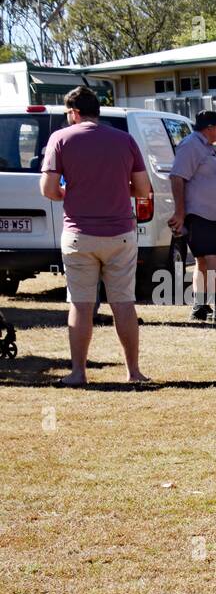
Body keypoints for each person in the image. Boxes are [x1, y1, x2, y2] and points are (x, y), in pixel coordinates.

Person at [39, 86, 152, 386]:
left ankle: (78, 372)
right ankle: (134, 371)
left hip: (79, 234)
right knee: (124, 303)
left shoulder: (60, 139)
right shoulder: (125, 140)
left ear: (74, 112)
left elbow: (48, 189)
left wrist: (68, 191)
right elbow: (142, 189)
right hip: (120, 234)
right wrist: (116, 187)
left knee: (81, 304)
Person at [168, 110, 216, 324]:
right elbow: (177, 177)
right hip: (200, 214)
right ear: (208, 128)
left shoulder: (206, 147)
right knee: (214, 258)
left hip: (209, 215)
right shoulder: (191, 145)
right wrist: (180, 212)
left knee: (203, 261)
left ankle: (200, 306)